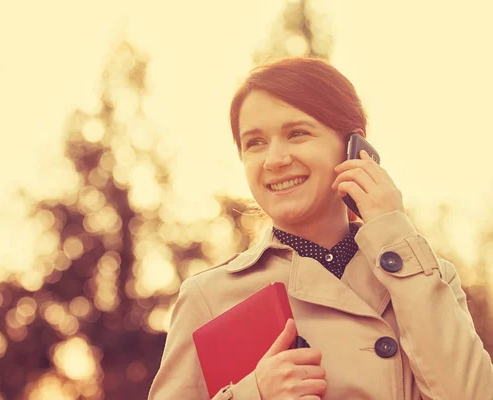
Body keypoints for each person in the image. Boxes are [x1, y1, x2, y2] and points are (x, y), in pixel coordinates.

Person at [147, 57, 493, 399]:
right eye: (255, 142)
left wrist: (394, 235)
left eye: (297, 134)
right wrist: (255, 393)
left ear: (353, 148)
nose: (274, 160)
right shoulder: (208, 297)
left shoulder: (425, 277)